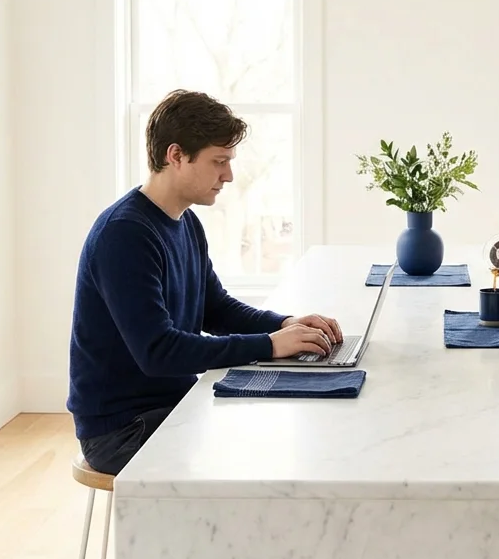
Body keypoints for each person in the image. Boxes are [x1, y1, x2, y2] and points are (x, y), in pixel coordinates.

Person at [67, 89, 342, 475]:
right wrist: (268, 345)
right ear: (176, 155)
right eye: (219, 162)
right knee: (270, 453)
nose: (228, 175)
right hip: (123, 431)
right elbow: (158, 352)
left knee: (289, 430)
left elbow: (216, 308)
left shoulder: (185, 222)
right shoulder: (125, 234)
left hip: (173, 405)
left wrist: (284, 325)